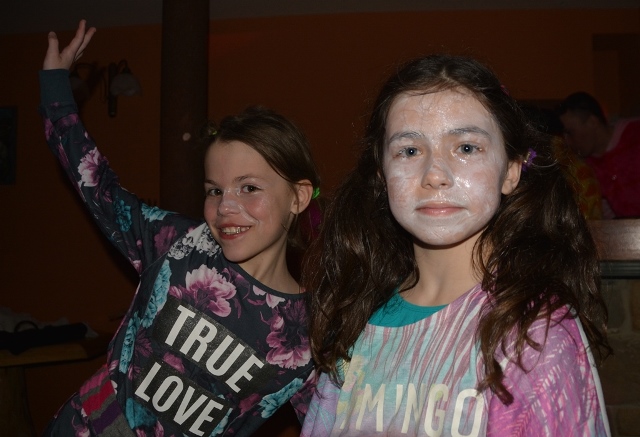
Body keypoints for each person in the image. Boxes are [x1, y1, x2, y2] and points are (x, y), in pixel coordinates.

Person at [301, 54, 611, 436]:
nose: (435, 175)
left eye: (466, 148)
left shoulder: (534, 334)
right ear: (382, 176)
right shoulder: (357, 316)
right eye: (409, 150)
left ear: (511, 171)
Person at [40, 20, 320, 436]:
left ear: (298, 197)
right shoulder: (182, 244)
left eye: (248, 187)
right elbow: (97, 185)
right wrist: (55, 87)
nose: (225, 207)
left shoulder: (308, 336)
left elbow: (335, 423)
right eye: (214, 190)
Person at [557, 91, 640, 218]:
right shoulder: (583, 167)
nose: (567, 141)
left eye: (570, 132)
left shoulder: (634, 132)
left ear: (592, 122)